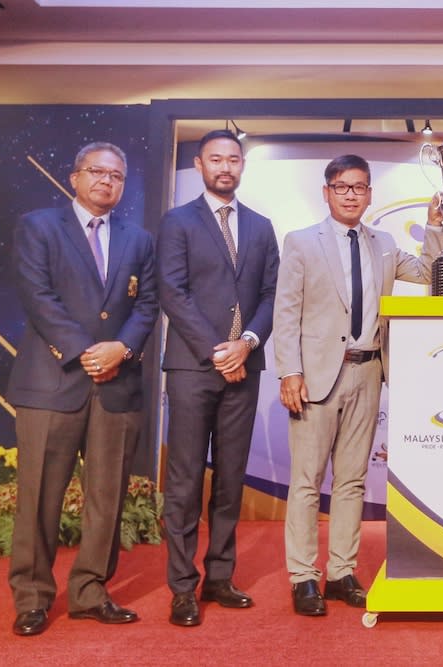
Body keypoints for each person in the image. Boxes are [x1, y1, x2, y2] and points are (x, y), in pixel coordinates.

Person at [274, 154, 443, 616]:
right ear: (327, 192)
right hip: (314, 377)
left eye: (360, 187)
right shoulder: (301, 242)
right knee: (307, 482)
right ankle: (303, 577)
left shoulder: (385, 244)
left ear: (370, 193)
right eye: (342, 186)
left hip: (369, 371)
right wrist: (289, 371)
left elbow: (432, 274)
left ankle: (340, 572)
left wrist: (435, 226)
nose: (352, 194)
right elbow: (286, 312)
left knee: (351, 481)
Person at [6, 142, 158, 636]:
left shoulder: (138, 239)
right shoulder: (39, 226)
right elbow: (37, 295)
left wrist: (123, 350)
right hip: (53, 382)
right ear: (74, 178)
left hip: (117, 385)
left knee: (107, 497)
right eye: (96, 172)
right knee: (39, 498)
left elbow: (147, 304)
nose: (106, 181)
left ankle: (91, 592)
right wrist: (85, 352)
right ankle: (31, 597)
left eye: (116, 175)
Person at [157, 129, 280, 627]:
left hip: (244, 368)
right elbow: (172, 292)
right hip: (192, 367)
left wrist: (246, 344)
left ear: (242, 166)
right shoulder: (177, 222)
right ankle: (182, 587)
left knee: (230, 480)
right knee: (185, 480)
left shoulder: (261, 225)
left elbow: (272, 294)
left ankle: (221, 576)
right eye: (215, 159)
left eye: (233, 159)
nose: (225, 167)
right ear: (199, 164)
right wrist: (218, 350)